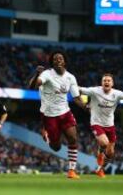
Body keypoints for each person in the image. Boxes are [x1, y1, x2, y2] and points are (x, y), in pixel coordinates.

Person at [29, 51, 88, 179]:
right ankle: (48, 136)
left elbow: (76, 98)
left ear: (64, 61)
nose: (58, 60)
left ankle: (72, 171)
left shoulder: (70, 77)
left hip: (65, 112)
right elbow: (32, 86)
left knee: (73, 138)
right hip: (49, 115)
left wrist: (86, 107)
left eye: (60, 58)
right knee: (56, 147)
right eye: (55, 59)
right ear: (52, 63)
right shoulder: (46, 74)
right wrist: (37, 74)